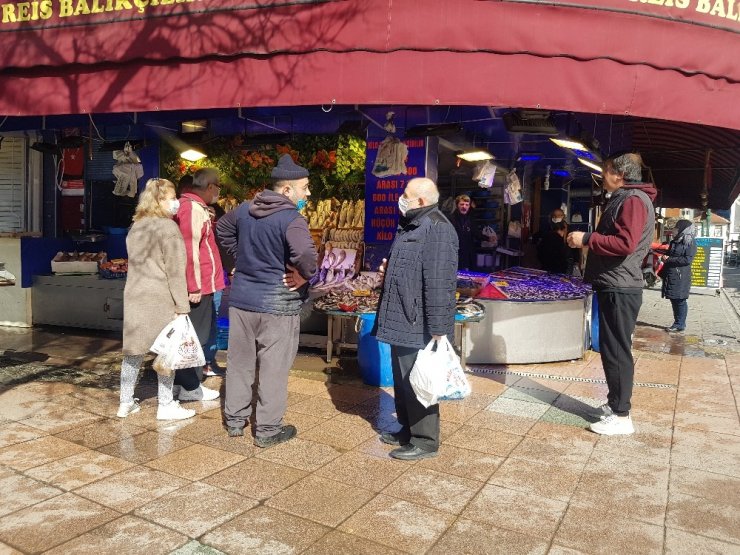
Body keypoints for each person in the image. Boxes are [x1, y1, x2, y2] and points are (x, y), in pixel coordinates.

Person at [216, 154, 317, 446]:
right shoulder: (292, 219)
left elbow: (222, 229)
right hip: (278, 305)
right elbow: (307, 257)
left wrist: (238, 258)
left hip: (242, 300)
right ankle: (268, 430)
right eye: (305, 187)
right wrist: (304, 275)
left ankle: (235, 421)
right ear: (286, 190)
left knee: (239, 363)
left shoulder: (245, 210)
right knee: (274, 368)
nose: (307, 193)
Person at [567, 152, 656, 436]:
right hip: (615, 283)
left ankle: (621, 415)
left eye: (605, 171)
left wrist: (587, 239)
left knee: (616, 350)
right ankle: (615, 403)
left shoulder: (632, 200)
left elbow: (625, 243)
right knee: (612, 348)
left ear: (619, 174)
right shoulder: (630, 198)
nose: (602, 176)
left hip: (620, 285)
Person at [373, 177, 458, 460]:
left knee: (420, 380)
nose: (401, 198)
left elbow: (439, 282)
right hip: (401, 317)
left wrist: (438, 328)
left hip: (418, 320)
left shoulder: (438, 228)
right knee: (403, 379)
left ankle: (425, 440)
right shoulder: (412, 224)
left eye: (405, 195)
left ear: (421, 200)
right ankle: (407, 429)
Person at [117, 178, 196, 421]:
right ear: (160, 200)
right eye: (172, 198)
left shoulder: (136, 226)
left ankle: (125, 402)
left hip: (135, 295)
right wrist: (182, 306)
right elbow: (175, 271)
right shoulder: (168, 228)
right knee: (166, 353)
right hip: (161, 297)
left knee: (133, 353)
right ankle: (166, 404)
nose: (176, 203)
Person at [172, 168, 225, 401]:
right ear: (211, 187)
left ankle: (182, 384)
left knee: (194, 335)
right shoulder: (191, 208)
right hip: (198, 287)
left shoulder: (195, 207)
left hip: (203, 284)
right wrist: (193, 286)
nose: (218, 193)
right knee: (195, 337)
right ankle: (190, 387)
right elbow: (189, 249)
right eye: (218, 188)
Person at [661, 219, 696, 332]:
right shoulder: (675, 241)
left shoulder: (689, 242)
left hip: (681, 275)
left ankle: (679, 324)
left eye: (676, 227)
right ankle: (678, 323)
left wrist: (669, 259)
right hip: (672, 274)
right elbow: (670, 254)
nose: (674, 229)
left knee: (680, 300)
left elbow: (687, 259)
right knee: (674, 298)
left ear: (682, 229)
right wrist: (664, 255)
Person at [449, 194, 475, 270]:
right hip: (455, 255)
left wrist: (488, 238)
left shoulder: (469, 218)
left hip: (467, 254)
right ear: (457, 205)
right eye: (462, 204)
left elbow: (475, 232)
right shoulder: (451, 219)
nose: (464, 207)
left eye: (467, 205)